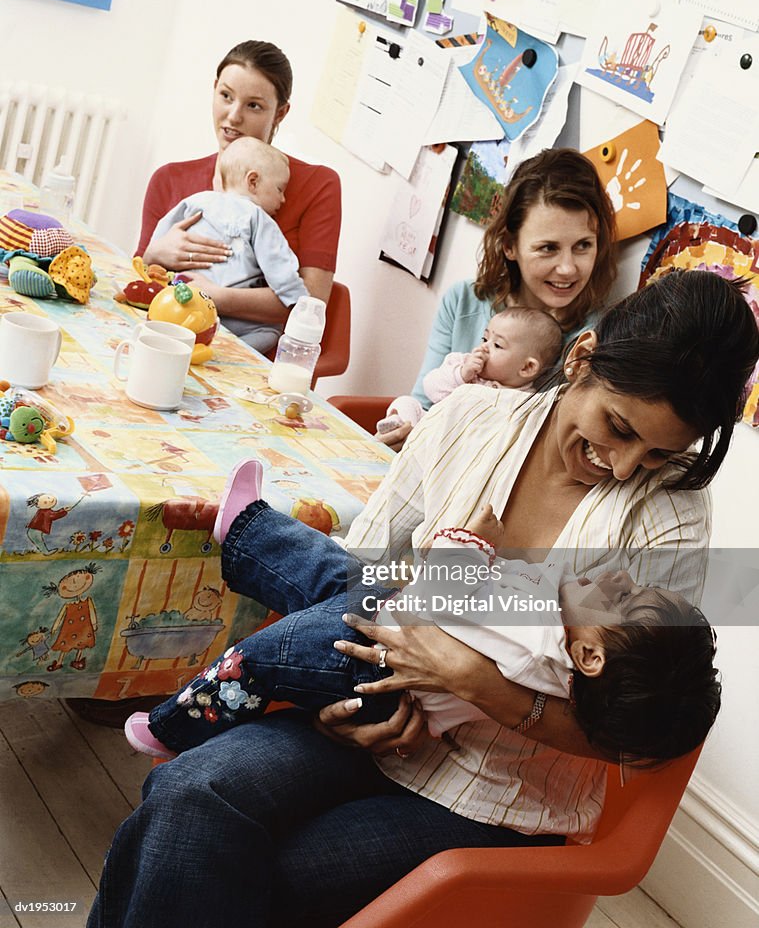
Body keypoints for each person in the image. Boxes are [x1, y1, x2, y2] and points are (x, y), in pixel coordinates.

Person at [87, 270, 759, 928]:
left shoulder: (670, 513)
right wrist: (344, 705)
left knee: (266, 874)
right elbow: (359, 576)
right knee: (186, 795)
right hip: (367, 721)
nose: (621, 466)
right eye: (618, 427)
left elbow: (632, 726)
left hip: (496, 795)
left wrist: (475, 683)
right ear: (581, 358)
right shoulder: (468, 419)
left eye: (653, 453)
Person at [123, 483, 720, 767]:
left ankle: (172, 727)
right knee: (335, 571)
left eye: (625, 599)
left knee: (262, 658)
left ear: (591, 658)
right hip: (393, 628)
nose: (618, 578)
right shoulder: (555, 636)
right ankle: (248, 530)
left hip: (369, 661)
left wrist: (464, 544)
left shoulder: (538, 637)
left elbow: (441, 599)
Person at [378, 147, 617, 449]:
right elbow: (425, 400)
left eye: (583, 245)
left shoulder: (602, 336)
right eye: (547, 248)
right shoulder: (464, 301)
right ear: (509, 246)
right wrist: (402, 432)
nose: (568, 268)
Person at [136, 39, 340, 340]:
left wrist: (214, 297)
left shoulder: (318, 186)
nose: (233, 116)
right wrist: (155, 253)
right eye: (226, 96)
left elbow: (309, 304)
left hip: (255, 353)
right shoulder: (169, 179)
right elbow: (139, 281)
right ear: (215, 88)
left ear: (280, 113)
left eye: (254, 105)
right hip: (166, 336)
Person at [149, 137, 306, 352]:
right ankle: (222, 352)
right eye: (280, 190)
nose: (283, 200)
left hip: (185, 304)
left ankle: (181, 341)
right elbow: (279, 265)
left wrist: (152, 258)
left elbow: (160, 239)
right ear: (253, 182)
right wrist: (299, 299)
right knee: (270, 333)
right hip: (236, 321)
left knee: (164, 313)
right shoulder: (258, 218)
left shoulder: (197, 201)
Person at [380, 306, 562, 430]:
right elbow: (431, 387)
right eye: (485, 339)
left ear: (527, 367)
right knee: (406, 403)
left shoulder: (524, 402)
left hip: (459, 447)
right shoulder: (462, 363)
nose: (484, 347)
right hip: (428, 426)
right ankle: (401, 426)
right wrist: (462, 375)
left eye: (497, 345)